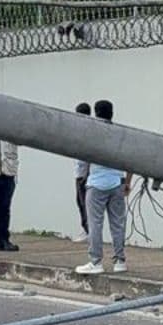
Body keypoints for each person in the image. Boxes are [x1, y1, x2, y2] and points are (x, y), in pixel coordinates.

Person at [75, 99, 131, 275]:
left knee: (95, 224)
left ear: (96, 113)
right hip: (117, 182)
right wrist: (127, 182)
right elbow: (132, 159)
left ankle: (96, 261)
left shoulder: (91, 133)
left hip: (96, 183)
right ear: (112, 113)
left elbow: (83, 160)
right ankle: (120, 260)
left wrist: (81, 179)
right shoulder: (119, 133)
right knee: (118, 223)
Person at [72, 101, 91, 243]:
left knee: (84, 203)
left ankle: (88, 231)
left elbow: (90, 155)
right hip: (79, 172)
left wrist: (87, 174)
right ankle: (86, 229)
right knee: (80, 202)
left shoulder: (87, 131)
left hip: (84, 173)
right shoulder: (80, 130)